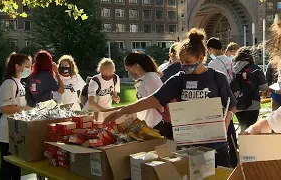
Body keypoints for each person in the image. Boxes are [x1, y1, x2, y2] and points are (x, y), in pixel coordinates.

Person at [104, 28, 237, 168]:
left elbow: (232, 104)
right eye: (181, 62)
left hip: (216, 145)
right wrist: (123, 110)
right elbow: (154, 99)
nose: (184, 66)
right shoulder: (179, 79)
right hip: (189, 146)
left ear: (201, 58)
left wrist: (228, 116)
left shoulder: (217, 78)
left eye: (188, 61)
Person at [0, 53, 32, 180]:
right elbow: (4, 108)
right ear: (17, 66)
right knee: (8, 165)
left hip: (16, 131)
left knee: (16, 165)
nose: (29, 69)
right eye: (27, 66)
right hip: (6, 132)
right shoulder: (9, 84)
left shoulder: (20, 83)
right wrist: (25, 109)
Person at [124, 52, 172, 138]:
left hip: (156, 125)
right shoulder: (143, 79)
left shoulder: (150, 78)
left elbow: (159, 101)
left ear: (135, 66)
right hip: (148, 125)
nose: (129, 73)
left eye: (128, 69)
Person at [207, 38, 238, 168]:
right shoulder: (228, 60)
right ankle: (234, 158)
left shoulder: (214, 63)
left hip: (220, 101)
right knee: (230, 130)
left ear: (211, 49)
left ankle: (225, 160)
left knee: (222, 131)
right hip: (230, 98)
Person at [232, 46, 268, 132]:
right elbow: (264, 87)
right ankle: (248, 145)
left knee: (243, 127)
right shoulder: (255, 69)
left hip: (237, 104)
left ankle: (241, 144)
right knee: (251, 130)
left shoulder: (232, 69)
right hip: (253, 104)